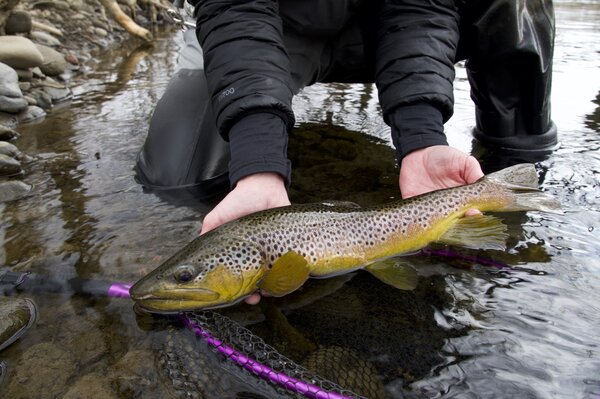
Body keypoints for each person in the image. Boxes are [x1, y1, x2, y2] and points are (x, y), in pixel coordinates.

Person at [136, 0, 556, 236]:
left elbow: (421, 8)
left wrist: (422, 137)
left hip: (389, 28)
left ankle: (516, 173)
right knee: (174, 179)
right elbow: (236, 9)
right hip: (275, 28)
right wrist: (258, 162)